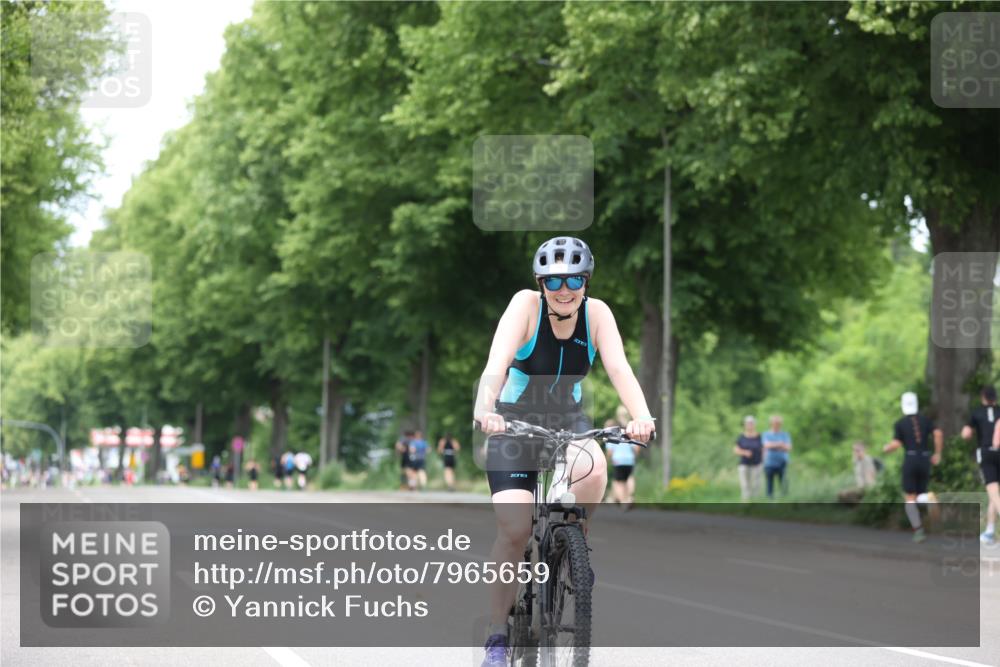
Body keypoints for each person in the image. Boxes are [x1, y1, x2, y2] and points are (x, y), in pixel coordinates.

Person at [474, 236, 655, 667]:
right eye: (554, 280)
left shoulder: (597, 314)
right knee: (515, 529)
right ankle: (497, 637)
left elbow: (619, 368)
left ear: (585, 280)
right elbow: (496, 365)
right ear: (541, 282)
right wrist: (486, 408)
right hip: (514, 420)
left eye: (574, 278)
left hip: (566, 417)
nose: (564, 287)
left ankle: (576, 545)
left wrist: (642, 416)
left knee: (593, 468)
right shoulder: (525, 306)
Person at [883, 391, 943, 543]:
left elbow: (896, 443)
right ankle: (928, 498)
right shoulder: (926, 421)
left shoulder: (900, 423)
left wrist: (887, 448)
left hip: (910, 459)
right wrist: (937, 453)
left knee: (910, 497)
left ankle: (918, 531)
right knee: (920, 494)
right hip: (925, 459)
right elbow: (938, 434)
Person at [961, 385, 1000, 545]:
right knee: (995, 496)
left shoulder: (976, 413)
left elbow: (965, 434)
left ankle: (991, 530)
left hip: (986, 453)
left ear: (983, 397)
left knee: (993, 493)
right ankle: (990, 530)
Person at [604, 417, 639, 509]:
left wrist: (607, 460)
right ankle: (630, 497)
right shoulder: (627, 434)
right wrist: (633, 456)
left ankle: (624, 501)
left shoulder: (611, 437)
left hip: (618, 460)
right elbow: (636, 448)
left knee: (618, 482)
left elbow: (610, 452)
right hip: (629, 460)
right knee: (629, 478)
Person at [761, 414, 792, 499]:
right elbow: (766, 445)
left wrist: (774, 445)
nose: (777, 425)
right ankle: (769, 500)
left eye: (778, 423)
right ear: (771, 423)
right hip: (769, 462)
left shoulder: (785, 434)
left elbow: (788, 447)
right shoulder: (766, 434)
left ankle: (785, 499)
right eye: (775, 423)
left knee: (783, 482)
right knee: (769, 483)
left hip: (782, 461)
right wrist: (780, 444)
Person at [734, 416, 763, 501]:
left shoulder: (759, 436)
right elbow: (736, 449)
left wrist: (763, 460)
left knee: (756, 485)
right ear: (745, 425)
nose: (750, 425)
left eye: (751, 423)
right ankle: (745, 503)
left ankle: (755, 503)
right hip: (744, 464)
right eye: (748, 424)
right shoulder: (741, 437)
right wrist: (744, 452)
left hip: (757, 464)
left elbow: (764, 449)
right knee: (745, 485)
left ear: (754, 425)